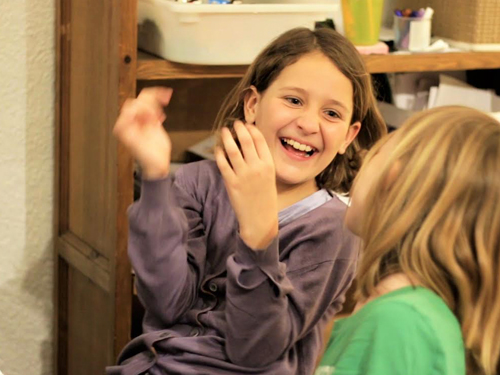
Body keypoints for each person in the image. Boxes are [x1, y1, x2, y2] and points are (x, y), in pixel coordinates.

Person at [107, 27, 386, 375]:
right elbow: (166, 302)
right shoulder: (196, 182)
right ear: (253, 105)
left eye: (332, 114)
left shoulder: (334, 229)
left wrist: (259, 236)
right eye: (294, 100)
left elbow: (254, 350)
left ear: (348, 136)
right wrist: (154, 173)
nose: (308, 123)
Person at [316, 106, 500, 375]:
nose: (360, 160)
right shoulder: (404, 316)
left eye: (375, 153)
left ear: (392, 178)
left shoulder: (398, 323)